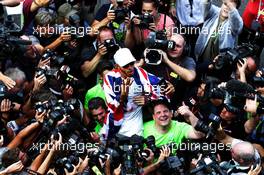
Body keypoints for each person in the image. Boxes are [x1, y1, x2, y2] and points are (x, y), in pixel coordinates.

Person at [101, 48, 166, 139]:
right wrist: (122, 96)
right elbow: (112, 108)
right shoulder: (110, 78)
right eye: (125, 66)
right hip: (113, 126)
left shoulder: (140, 73)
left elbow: (162, 88)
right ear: (117, 66)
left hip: (135, 128)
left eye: (131, 63)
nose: (130, 68)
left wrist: (148, 98)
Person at [144, 33, 196, 107]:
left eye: (178, 46)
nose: (174, 48)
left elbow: (190, 77)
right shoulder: (157, 54)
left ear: (184, 49)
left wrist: (167, 61)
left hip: (176, 103)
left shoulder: (187, 61)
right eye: (171, 44)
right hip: (154, 102)